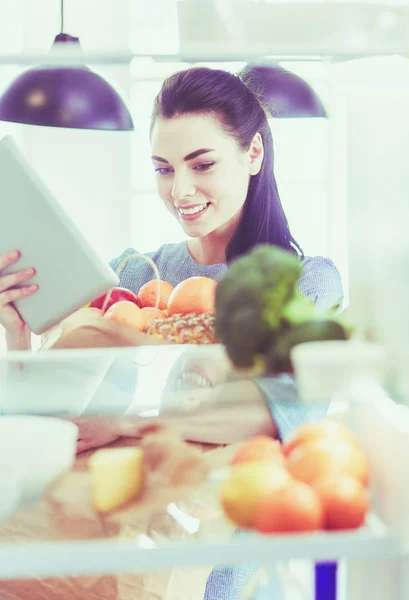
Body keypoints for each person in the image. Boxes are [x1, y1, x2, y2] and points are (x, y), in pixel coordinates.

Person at [0, 66, 343, 599]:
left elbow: (274, 416)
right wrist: (20, 337)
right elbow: (58, 418)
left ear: (253, 154)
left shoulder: (306, 284)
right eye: (163, 169)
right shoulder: (133, 274)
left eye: (202, 164)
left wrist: (123, 422)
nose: (180, 190)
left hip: (227, 573)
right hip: (110, 554)